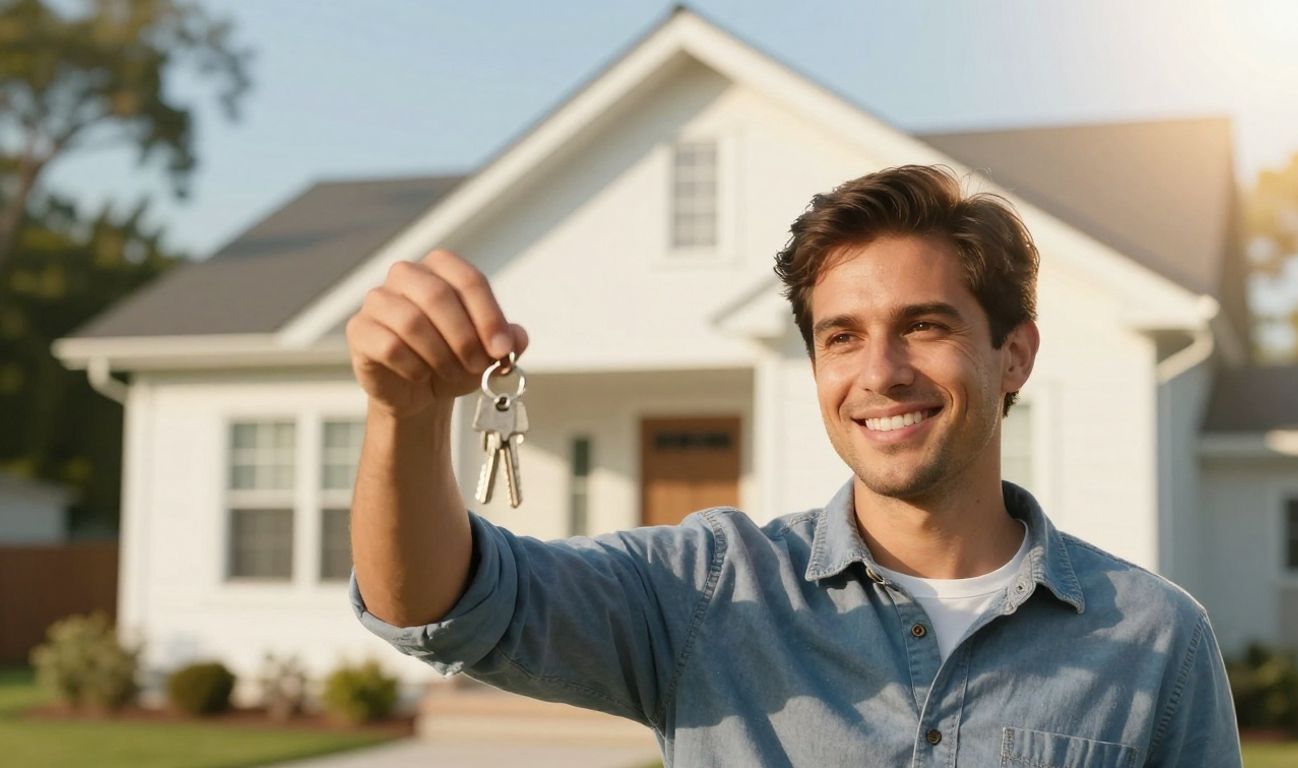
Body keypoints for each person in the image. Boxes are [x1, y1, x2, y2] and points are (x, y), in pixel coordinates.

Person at [345, 165, 1243, 766]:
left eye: (924, 325)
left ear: (1014, 356)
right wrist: (406, 417)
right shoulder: (705, 596)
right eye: (841, 337)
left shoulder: (1159, 641)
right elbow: (439, 605)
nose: (879, 373)